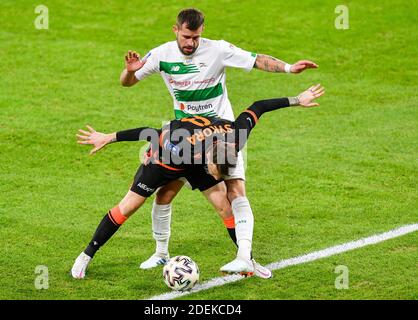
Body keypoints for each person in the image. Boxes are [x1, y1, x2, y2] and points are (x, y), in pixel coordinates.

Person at [120, 8, 319, 269]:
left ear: (202, 32)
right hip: (185, 135)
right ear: (175, 30)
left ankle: (246, 258)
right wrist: (130, 71)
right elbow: (127, 82)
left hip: (221, 134)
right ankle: (161, 253)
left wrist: (289, 68)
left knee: (235, 190)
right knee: (164, 194)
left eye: (196, 37)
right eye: (186, 36)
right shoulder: (160, 54)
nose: (191, 42)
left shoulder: (218, 50)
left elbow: (255, 59)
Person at [71, 84, 325, 279]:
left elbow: (258, 105)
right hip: (163, 160)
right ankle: (86, 255)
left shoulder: (235, 135)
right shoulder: (179, 146)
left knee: (225, 207)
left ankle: (247, 259)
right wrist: (108, 137)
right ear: (206, 158)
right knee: (129, 206)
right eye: (216, 172)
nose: (217, 177)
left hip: (197, 158)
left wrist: (297, 101)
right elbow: (148, 132)